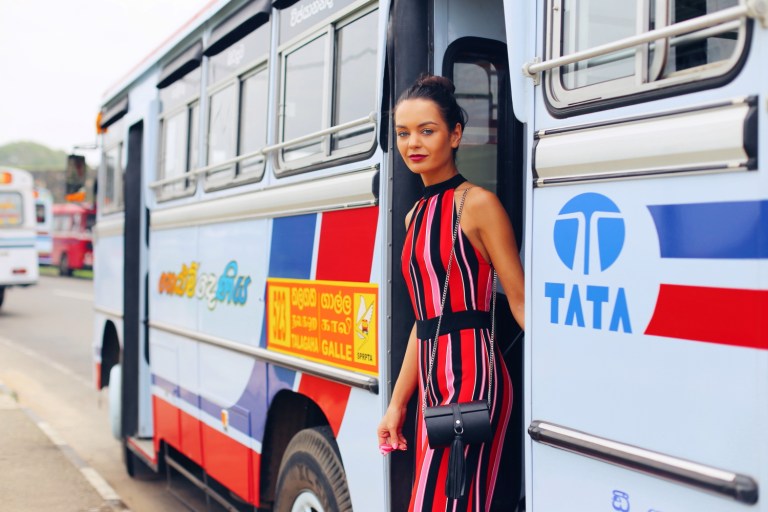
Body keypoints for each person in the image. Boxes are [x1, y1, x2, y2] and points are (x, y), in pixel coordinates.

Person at [376, 74, 525, 511]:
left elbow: (518, 299)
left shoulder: (477, 204)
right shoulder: (414, 217)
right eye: (403, 133)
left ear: (455, 134)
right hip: (432, 381)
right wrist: (396, 405)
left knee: (450, 501)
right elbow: (424, 324)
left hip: (475, 376)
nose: (412, 144)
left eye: (427, 130)